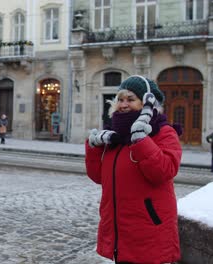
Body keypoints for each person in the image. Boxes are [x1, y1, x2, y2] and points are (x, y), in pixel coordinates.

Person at [85, 75, 182, 264]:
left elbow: (164, 171)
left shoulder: (163, 132)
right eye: (120, 99)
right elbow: (98, 176)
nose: (123, 104)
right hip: (120, 227)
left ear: (147, 103)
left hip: (148, 228)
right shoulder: (114, 136)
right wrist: (93, 147)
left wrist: (141, 140)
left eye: (131, 99)